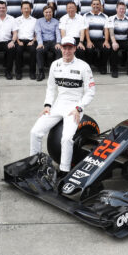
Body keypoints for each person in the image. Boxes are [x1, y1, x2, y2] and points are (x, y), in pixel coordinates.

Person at [29, 36, 95, 174]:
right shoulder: (55, 64)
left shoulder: (84, 66)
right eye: (64, 47)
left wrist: (79, 108)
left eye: (70, 47)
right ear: (61, 48)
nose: (67, 51)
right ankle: (34, 165)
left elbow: (90, 92)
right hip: (58, 105)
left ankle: (64, 171)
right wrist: (47, 105)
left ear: (75, 48)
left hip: (74, 107)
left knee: (66, 139)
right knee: (35, 132)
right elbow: (51, 88)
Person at [36, 5, 62, 80]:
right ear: (43, 13)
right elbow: (38, 33)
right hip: (43, 42)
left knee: (59, 50)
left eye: (50, 12)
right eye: (46, 12)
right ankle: (41, 72)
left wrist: (58, 43)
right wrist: (40, 43)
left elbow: (58, 33)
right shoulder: (39, 21)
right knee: (39, 51)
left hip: (53, 41)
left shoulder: (56, 21)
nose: (48, 13)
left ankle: (57, 73)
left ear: (52, 12)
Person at [83, 0, 109, 74]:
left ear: (101, 5)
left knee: (106, 49)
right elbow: (86, 30)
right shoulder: (86, 15)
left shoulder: (105, 16)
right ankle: (89, 66)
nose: (96, 6)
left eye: (97, 4)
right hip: (89, 39)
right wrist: (88, 41)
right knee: (89, 49)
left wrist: (106, 41)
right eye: (94, 4)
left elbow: (106, 30)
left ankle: (102, 66)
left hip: (101, 39)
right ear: (91, 5)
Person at [106, 2, 128, 77]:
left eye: (123, 9)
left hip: (125, 39)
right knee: (113, 49)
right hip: (114, 39)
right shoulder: (111, 19)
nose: (122, 10)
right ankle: (114, 70)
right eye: (120, 8)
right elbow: (111, 33)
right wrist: (114, 42)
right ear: (116, 9)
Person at [14, 1, 37, 79]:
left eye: (28, 8)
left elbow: (37, 34)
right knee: (18, 51)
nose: (26, 10)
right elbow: (14, 32)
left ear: (31, 9)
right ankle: (18, 73)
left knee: (33, 51)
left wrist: (33, 41)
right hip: (19, 40)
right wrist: (17, 41)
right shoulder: (16, 20)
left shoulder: (35, 20)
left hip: (30, 41)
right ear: (21, 10)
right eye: (24, 8)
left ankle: (32, 72)